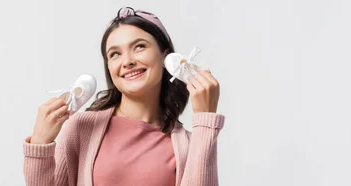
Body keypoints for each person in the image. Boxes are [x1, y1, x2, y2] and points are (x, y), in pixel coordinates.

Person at [23, 7, 224, 186]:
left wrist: (205, 121)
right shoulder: (82, 129)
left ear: (166, 56)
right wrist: (40, 143)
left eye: (139, 46)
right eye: (115, 54)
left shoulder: (189, 145)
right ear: (109, 67)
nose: (127, 61)